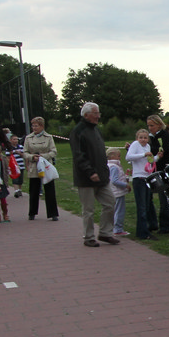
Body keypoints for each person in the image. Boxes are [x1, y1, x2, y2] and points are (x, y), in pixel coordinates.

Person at [70, 102, 119, 246]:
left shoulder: (96, 130)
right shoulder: (78, 131)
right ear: (86, 115)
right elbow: (78, 155)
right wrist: (90, 171)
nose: (98, 116)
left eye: (98, 113)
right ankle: (89, 237)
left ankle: (105, 233)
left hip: (102, 177)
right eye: (96, 113)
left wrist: (104, 171)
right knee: (89, 210)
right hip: (86, 178)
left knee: (110, 203)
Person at [23, 116, 60, 220]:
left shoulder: (49, 137)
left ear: (42, 126)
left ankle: (53, 213)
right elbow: (25, 152)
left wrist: (43, 157)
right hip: (34, 166)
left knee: (50, 190)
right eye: (33, 126)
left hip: (46, 165)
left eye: (36, 126)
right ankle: (32, 213)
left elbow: (54, 151)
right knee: (34, 190)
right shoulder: (28, 138)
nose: (34, 128)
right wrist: (32, 157)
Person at [126, 128, 157, 241]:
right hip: (139, 178)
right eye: (141, 137)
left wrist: (157, 157)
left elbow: (149, 161)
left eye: (145, 138)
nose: (143, 140)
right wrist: (143, 154)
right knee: (142, 206)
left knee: (147, 205)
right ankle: (142, 233)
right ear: (137, 138)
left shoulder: (147, 147)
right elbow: (128, 157)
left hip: (147, 177)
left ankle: (145, 229)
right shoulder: (135, 145)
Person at [147, 115, 169, 235]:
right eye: (148, 125)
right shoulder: (150, 137)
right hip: (151, 170)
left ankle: (165, 226)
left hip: (162, 169)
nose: (150, 128)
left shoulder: (163, 135)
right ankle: (152, 223)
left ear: (158, 125)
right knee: (149, 198)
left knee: (164, 199)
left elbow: (164, 150)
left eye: (152, 125)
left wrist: (153, 153)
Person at [107, 147, 129, 237]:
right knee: (119, 210)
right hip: (117, 192)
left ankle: (113, 227)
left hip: (112, 191)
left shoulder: (109, 165)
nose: (120, 158)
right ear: (113, 156)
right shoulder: (114, 167)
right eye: (118, 156)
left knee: (115, 210)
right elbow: (114, 181)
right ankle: (118, 229)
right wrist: (125, 185)